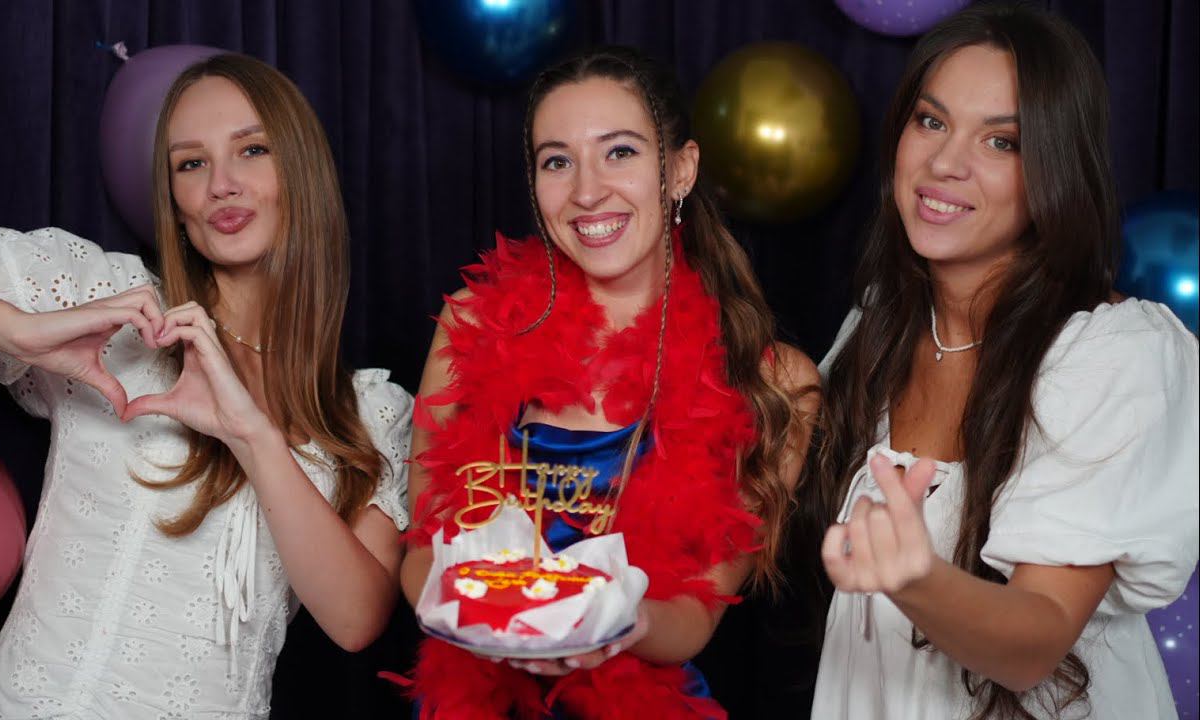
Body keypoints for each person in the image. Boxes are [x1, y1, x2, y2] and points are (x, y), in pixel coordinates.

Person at [0, 53, 412, 718]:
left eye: (252, 150)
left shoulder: (371, 410)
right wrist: (19, 330)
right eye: (191, 164)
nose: (221, 185)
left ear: (302, 173)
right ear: (174, 205)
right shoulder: (113, 303)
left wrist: (253, 435)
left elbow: (356, 620)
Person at [396, 45, 820, 718]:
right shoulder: (471, 321)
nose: (587, 191)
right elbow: (424, 550)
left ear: (680, 170)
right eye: (557, 161)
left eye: (619, 152)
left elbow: (696, 617)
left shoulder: (775, 383)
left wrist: (619, 619)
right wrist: (486, 619)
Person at [809, 4, 1199, 719]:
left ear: (1056, 168)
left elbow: (1035, 642)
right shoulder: (878, 322)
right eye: (931, 121)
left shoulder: (1111, 354)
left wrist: (917, 578)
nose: (944, 164)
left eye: (1001, 142)